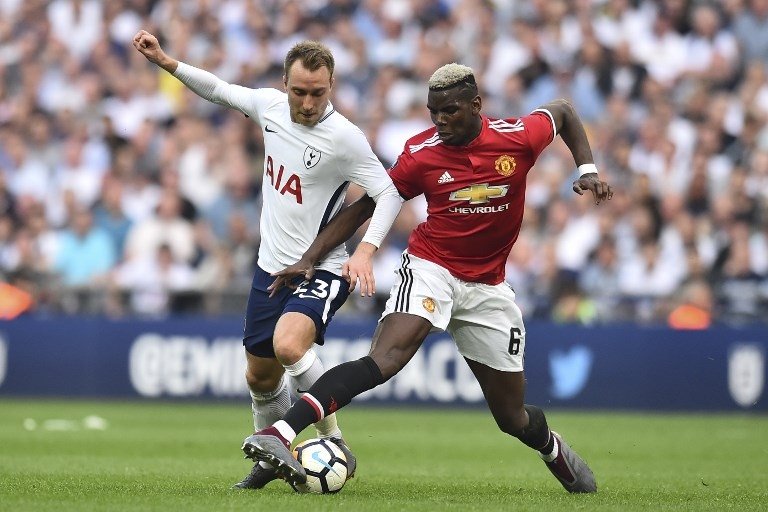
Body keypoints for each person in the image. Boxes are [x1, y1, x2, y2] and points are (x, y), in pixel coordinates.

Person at [243, 63, 612, 493]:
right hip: (430, 267)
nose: (440, 121)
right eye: (433, 111)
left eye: (450, 111)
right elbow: (366, 207)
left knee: (512, 417)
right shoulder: (422, 153)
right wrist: (311, 256)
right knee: (387, 359)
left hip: (489, 287)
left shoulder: (518, 136)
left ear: (476, 105)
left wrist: (586, 168)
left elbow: (564, 110)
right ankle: (280, 433)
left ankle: (552, 449)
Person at [133, 31, 402, 489]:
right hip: (270, 266)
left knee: (289, 345)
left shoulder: (345, 138)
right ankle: (270, 458)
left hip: (323, 266)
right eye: (299, 91)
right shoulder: (271, 108)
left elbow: (389, 191)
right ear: (285, 84)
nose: (308, 102)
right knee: (259, 376)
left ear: (331, 85)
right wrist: (166, 61)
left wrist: (365, 250)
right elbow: (218, 89)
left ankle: (332, 441)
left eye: (318, 93)